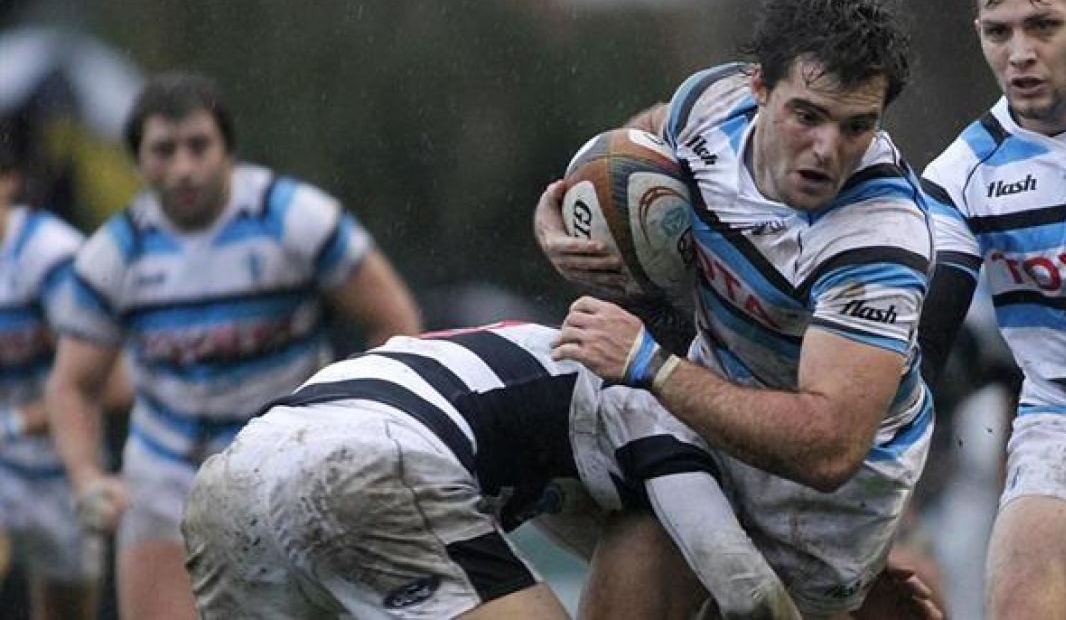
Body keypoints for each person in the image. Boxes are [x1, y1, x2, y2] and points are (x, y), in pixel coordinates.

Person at [535, 0, 937, 616]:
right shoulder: (709, 104)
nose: (828, 149)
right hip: (703, 427)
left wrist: (653, 365)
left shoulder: (877, 240)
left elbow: (829, 448)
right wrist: (570, 210)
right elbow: (638, 143)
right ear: (758, 87)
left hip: (825, 508)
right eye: (807, 115)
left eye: (857, 125)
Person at [45, 72, 422, 620]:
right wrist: (85, 478)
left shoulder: (294, 217)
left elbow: (395, 322)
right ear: (138, 163)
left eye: (198, 145)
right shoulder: (114, 253)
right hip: (167, 470)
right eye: (163, 151)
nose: (183, 168)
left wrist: (358, 430)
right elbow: (72, 384)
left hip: (289, 460)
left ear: (229, 148)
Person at [181, 321, 809, 619]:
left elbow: (618, 547)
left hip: (232, 481)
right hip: (361, 469)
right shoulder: (655, 411)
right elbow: (747, 590)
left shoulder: (551, 375)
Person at [918, 0, 1066, 617]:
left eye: (1042, 25)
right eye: (998, 32)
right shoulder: (960, 176)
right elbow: (931, 333)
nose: (1020, 54)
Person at [0, 140, 131, 619]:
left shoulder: (51, 257)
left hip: (64, 470)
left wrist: (13, 424)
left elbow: (116, 385)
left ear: (8, 182)